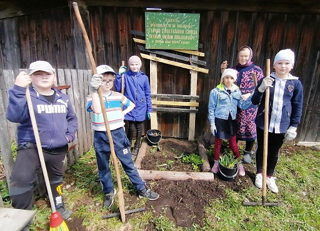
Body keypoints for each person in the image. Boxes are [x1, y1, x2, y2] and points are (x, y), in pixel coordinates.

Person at [6, 61, 78, 222]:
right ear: (31, 77)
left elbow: (72, 118)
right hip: (31, 146)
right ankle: (22, 217)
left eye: (48, 73)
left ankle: (58, 204)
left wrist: (68, 136)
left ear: (54, 75)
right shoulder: (26, 96)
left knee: (56, 178)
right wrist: (17, 89)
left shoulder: (63, 98)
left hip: (58, 147)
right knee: (21, 180)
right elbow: (14, 116)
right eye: (38, 74)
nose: (44, 76)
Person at [86, 64, 159, 208]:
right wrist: (94, 91)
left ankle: (141, 188)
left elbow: (131, 105)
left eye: (110, 80)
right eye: (103, 80)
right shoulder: (91, 96)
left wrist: (122, 114)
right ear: (97, 81)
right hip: (101, 135)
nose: (107, 84)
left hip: (118, 133)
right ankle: (108, 191)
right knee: (103, 166)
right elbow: (98, 110)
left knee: (128, 164)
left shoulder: (118, 96)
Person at [252, 49, 303, 193]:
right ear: (274, 65)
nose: (283, 66)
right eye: (280, 63)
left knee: (274, 151)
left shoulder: (295, 84)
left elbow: (297, 106)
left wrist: (293, 126)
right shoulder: (267, 80)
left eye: (287, 63)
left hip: (282, 124)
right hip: (264, 122)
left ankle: (269, 176)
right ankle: (259, 173)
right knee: (262, 148)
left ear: (291, 65)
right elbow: (255, 101)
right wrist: (261, 88)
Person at [221, 46, 264, 164]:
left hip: (251, 105)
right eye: (241, 55)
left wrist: (250, 94)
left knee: (250, 128)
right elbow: (226, 84)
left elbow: (261, 87)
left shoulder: (257, 70)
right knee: (236, 127)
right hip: (236, 105)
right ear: (238, 56)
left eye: (246, 56)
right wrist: (223, 71)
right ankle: (235, 151)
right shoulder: (234, 70)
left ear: (250, 56)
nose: (243, 58)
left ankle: (248, 152)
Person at [208, 68, 252, 176]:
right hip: (220, 120)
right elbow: (211, 108)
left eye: (231, 78)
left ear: (234, 80)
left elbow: (242, 105)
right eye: (226, 77)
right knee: (218, 143)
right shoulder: (216, 91)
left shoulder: (237, 92)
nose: (229, 80)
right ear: (223, 79)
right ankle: (216, 163)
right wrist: (212, 124)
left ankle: (239, 163)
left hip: (231, 121)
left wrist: (250, 98)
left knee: (233, 143)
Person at [114, 55, 153, 156]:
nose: (134, 66)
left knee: (139, 127)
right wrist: (119, 76)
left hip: (141, 106)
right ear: (129, 65)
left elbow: (147, 93)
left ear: (140, 65)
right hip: (130, 105)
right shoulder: (125, 76)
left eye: (136, 64)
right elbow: (119, 89)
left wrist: (149, 109)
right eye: (132, 64)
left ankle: (137, 146)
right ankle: (128, 144)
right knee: (130, 127)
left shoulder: (144, 78)